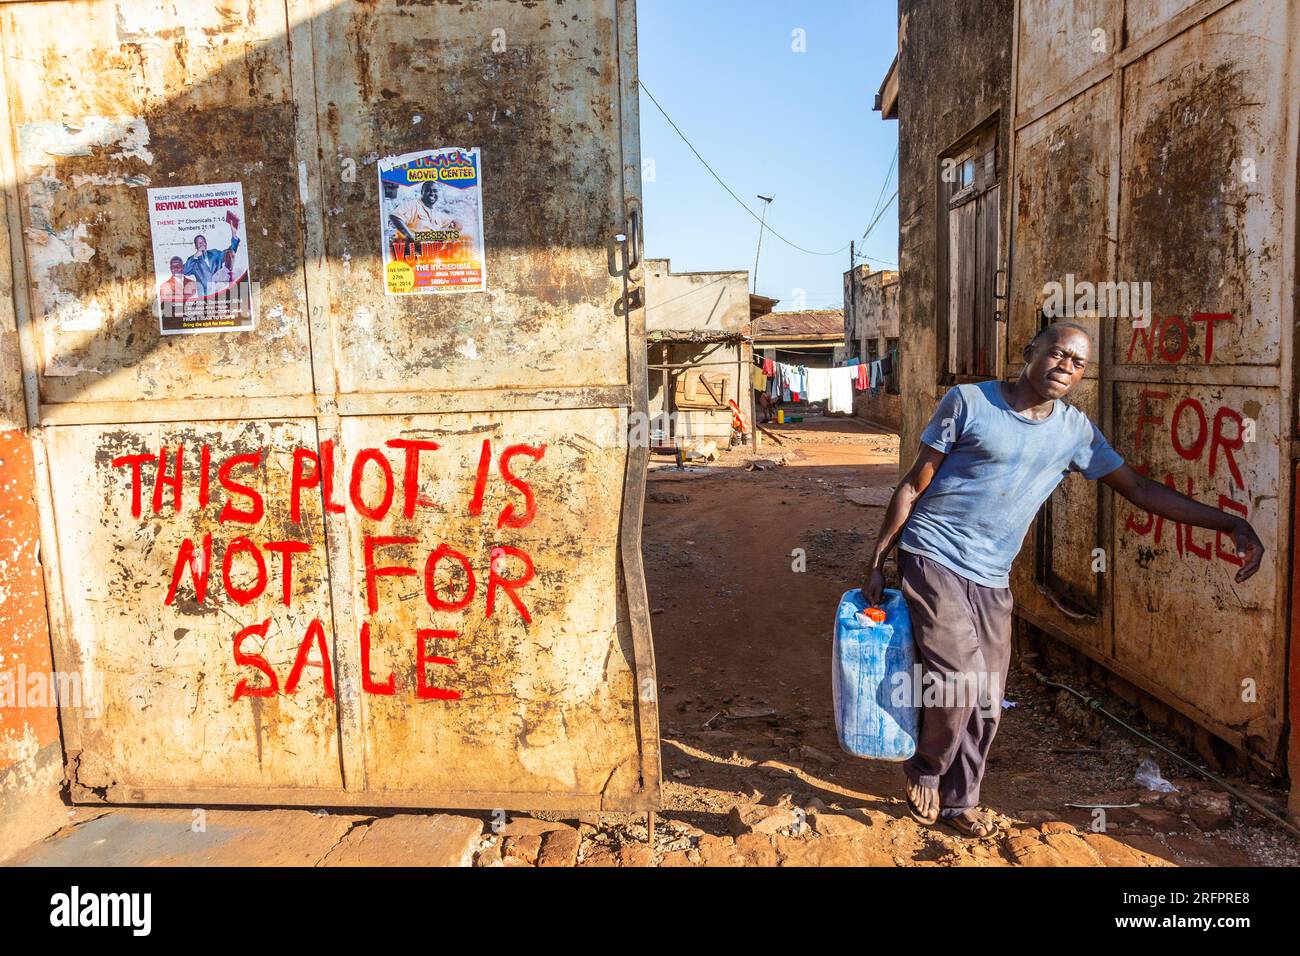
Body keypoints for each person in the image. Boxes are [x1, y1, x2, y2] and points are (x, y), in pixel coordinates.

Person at [861, 321, 1263, 839]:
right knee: (958, 678)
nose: (1065, 367)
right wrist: (877, 560)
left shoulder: (1073, 432)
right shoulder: (968, 403)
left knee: (987, 697)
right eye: (1057, 354)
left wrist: (1229, 521)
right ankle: (926, 767)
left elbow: (1138, 488)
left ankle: (961, 803)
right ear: (1030, 352)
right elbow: (913, 486)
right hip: (932, 553)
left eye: (1077, 363)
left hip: (992, 573)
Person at [389, 180, 464, 245]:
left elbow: (455, 222)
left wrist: (456, 225)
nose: (432, 193)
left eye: (435, 191)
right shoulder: (413, 205)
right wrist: (411, 236)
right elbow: (395, 216)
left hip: (431, 253)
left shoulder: (436, 213)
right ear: (422, 192)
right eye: (428, 190)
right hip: (413, 252)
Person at [184, 211, 241, 295]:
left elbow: (230, 252)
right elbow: (185, 271)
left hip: (220, 293)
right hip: (204, 297)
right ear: (195, 246)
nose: (202, 244)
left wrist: (234, 233)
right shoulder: (193, 261)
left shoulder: (215, 254)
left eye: (203, 241)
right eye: (199, 243)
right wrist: (196, 255)